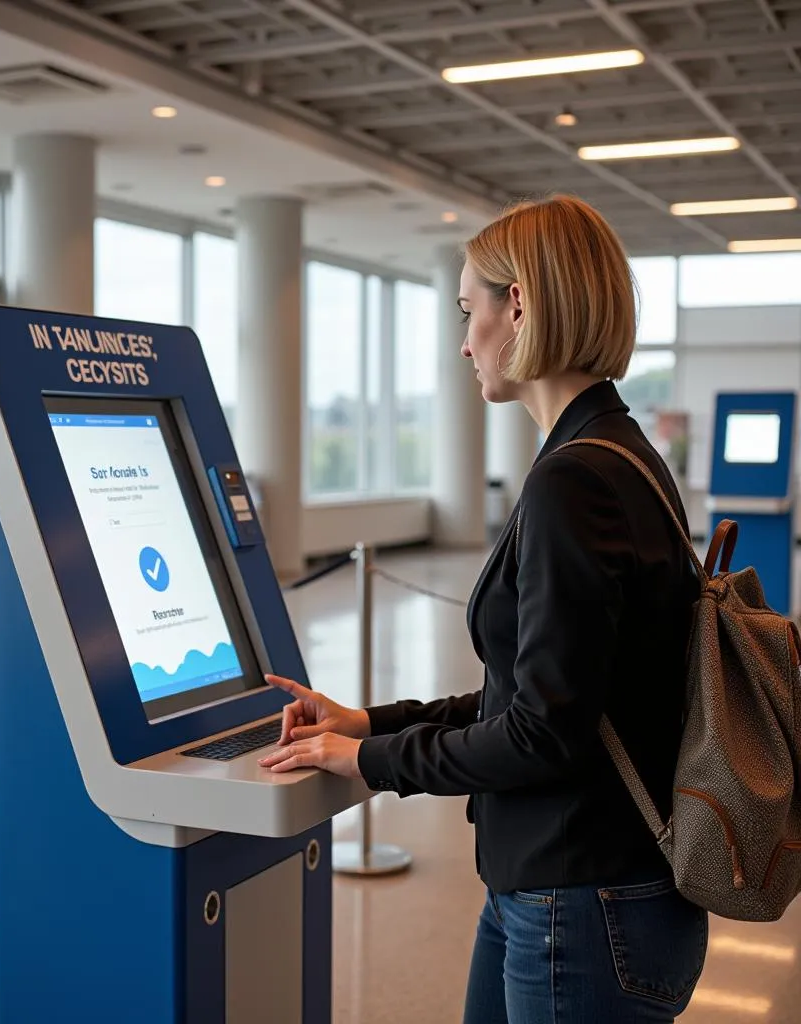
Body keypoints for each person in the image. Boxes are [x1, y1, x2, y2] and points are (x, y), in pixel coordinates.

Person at [260, 196, 708, 1021]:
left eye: (471, 311)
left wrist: (370, 766)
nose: (465, 342)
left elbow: (543, 735)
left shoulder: (575, 481)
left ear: (522, 306)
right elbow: (538, 694)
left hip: (580, 903)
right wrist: (365, 723)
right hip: (560, 889)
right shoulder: (617, 452)